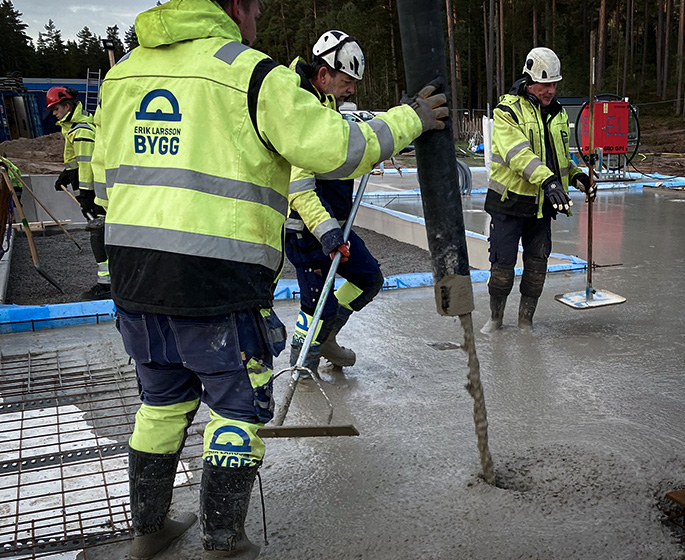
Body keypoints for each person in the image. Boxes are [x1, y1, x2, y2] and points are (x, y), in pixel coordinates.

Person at [90, 0, 447, 558]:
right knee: (235, 407)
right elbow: (337, 148)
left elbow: (103, 181)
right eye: (254, 5)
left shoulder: (123, 74)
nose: (253, 17)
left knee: (160, 405)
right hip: (218, 281)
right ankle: (222, 538)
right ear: (233, 5)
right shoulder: (251, 73)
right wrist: (411, 118)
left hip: (136, 279)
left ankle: (148, 532)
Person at [285, 31, 381, 376]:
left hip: (335, 226)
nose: (352, 89)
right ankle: (302, 368)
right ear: (323, 74)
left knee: (369, 279)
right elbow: (298, 186)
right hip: (308, 231)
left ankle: (326, 338)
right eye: (346, 81)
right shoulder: (299, 107)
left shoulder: (324, 102)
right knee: (315, 306)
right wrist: (327, 233)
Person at [481, 47, 596, 334]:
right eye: (546, 84)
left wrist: (577, 176)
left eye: (555, 84)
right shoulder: (507, 111)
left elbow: (558, 159)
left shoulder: (557, 115)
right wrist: (549, 181)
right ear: (529, 80)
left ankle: (525, 321)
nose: (551, 90)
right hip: (508, 203)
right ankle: (495, 318)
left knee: (536, 268)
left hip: (540, 206)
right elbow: (517, 154)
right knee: (502, 270)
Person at [47, 86, 110, 300]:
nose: (53, 113)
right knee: (101, 234)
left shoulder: (82, 130)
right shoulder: (73, 128)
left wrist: (86, 195)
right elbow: (76, 160)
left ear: (67, 106)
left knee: (99, 234)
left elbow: (87, 165)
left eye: (55, 109)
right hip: (93, 191)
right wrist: (67, 173)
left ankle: (107, 284)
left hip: (97, 192)